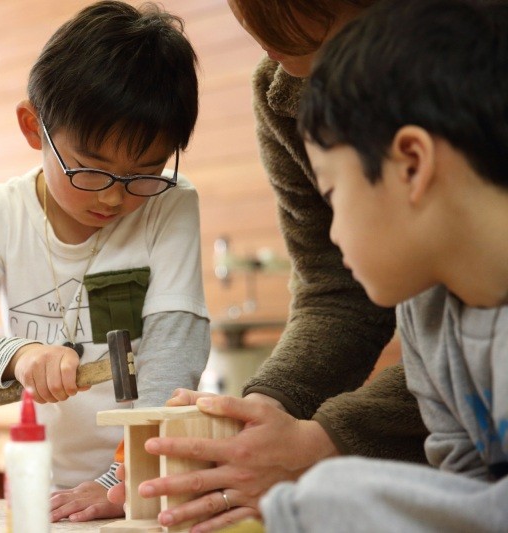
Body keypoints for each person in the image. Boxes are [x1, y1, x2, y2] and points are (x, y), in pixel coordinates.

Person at [108, 1, 431, 531]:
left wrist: (327, 446)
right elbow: (336, 291)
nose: (252, 26)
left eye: (335, 197)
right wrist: (253, 426)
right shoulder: (282, 92)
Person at [0, 0, 210, 523]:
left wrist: (119, 478)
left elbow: (173, 355)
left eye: (144, 172)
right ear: (34, 127)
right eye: (91, 171)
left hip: (149, 479)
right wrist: (18, 354)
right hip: (45, 486)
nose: (115, 199)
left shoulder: (169, 203)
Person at [259, 0, 508, 530]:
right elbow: (463, 483)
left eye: (332, 192)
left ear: (411, 164)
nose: (331, 233)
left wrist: (319, 499)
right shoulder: (426, 319)